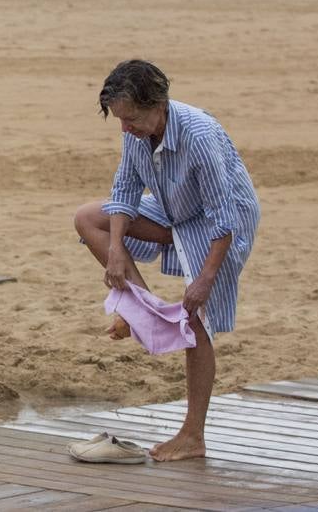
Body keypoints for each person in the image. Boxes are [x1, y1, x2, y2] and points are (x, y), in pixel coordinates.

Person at [73, 60, 259, 462]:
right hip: (174, 209)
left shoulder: (198, 136)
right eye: (120, 119)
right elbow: (123, 189)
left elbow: (223, 218)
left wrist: (205, 279)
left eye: (132, 118)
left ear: (159, 104)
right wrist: (117, 249)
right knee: (89, 218)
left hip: (222, 224)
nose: (126, 128)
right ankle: (143, 311)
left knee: (196, 317)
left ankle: (193, 436)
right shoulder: (136, 132)